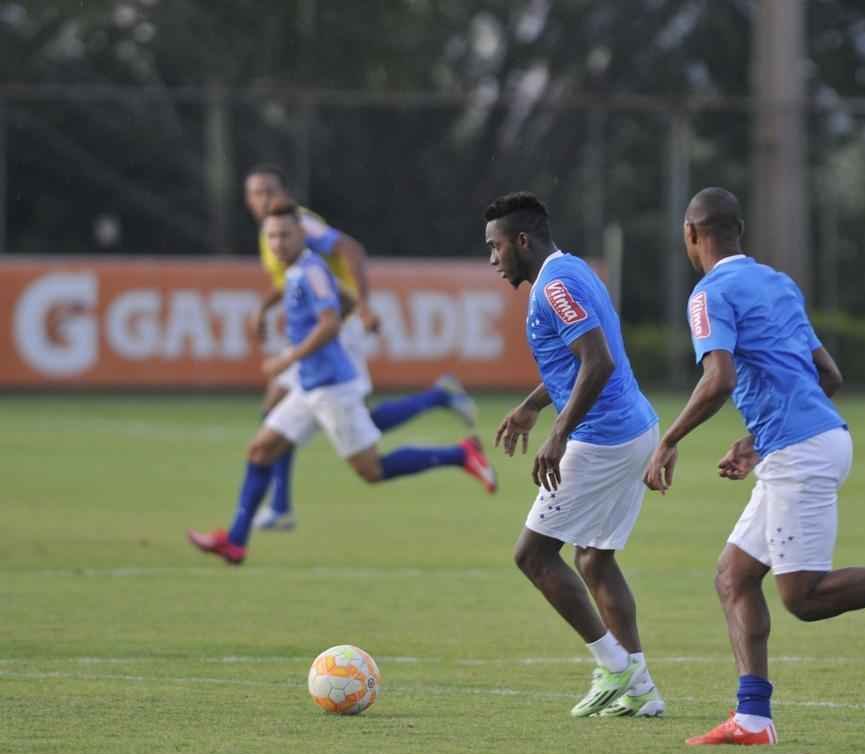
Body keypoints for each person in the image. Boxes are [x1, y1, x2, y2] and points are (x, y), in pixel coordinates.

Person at [643, 187, 865, 747]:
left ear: (691, 235)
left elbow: (719, 380)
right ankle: (753, 719)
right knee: (734, 577)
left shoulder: (708, 294)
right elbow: (828, 376)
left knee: (803, 598)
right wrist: (757, 440)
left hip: (801, 450)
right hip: (815, 437)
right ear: (739, 232)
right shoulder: (777, 283)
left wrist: (669, 439)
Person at [188, 201, 496, 565]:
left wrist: (287, 358)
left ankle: (460, 454)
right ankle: (236, 542)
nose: (277, 242)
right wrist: (357, 311)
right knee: (260, 450)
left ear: (302, 234)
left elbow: (329, 322)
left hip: (332, 388)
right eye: (271, 235)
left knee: (373, 470)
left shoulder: (310, 271)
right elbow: (342, 300)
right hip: (309, 386)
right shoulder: (297, 271)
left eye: (285, 234)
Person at [486, 192, 665, 718]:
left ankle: (614, 665)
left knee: (533, 556)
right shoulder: (570, 271)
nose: (492, 259)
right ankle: (642, 693)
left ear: (522, 241)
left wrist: (560, 431)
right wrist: (531, 407)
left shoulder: (557, 285)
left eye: (496, 247)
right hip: (633, 428)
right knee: (594, 557)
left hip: (602, 437)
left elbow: (597, 360)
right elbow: (576, 362)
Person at [242, 164, 477, 531]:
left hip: (334, 324)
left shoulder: (298, 223)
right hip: (322, 326)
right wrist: (265, 306)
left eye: (270, 191)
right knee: (322, 416)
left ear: (284, 191)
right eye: (256, 193)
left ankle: (280, 506)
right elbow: (291, 280)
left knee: (285, 409)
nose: (264, 199)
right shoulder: (271, 232)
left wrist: (363, 305)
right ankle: (438, 397)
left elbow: (349, 248)